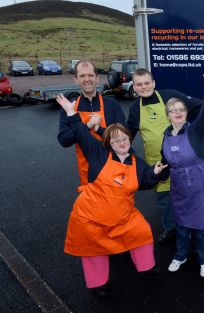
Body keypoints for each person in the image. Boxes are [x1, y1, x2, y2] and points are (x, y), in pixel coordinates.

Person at [56, 94, 168, 297]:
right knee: (93, 250)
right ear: (109, 142)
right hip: (91, 217)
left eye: (124, 138)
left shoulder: (137, 162)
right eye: (116, 140)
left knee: (141, 232)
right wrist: (72, 113)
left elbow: (146, 182)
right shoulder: (98, 153)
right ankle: (99, 283)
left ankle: (147, 267)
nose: (121, 142)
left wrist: (157, 173)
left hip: (123, 216)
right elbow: (81, 133)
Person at [127, 68, 204, 245]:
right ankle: (170, 229)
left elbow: (199, 105)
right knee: (165, 202)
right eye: (139, 84)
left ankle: (190, 230)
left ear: (153, 83)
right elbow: (127, 135)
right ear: (134, 87)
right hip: (160, 164)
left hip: (184, 161)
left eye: (146, 83)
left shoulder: (169, 96)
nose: (144, 87)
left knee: (186, 200)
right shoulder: (135, 109)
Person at [161, 74, 204, 278]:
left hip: (200, 187)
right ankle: (180, 255)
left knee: (202, 229)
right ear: (167, 114)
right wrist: (158, 173)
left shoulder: (194, 131)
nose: (177, 112)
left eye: (181, 109)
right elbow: (165, 163)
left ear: (186, 113)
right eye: (173, 110)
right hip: (179, 189)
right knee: (182, 227)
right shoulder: (165, 137)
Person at [58, 59, 127, 189]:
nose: (87, 79)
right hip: (88, 172)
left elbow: (125, 136)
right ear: (76, 79)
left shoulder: (112, 105)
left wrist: (99, 129)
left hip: (115, 168)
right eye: (82, 76)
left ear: (97, 78)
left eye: (90, 75)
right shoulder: (70, 108)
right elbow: (64, 140)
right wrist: (87, 126)